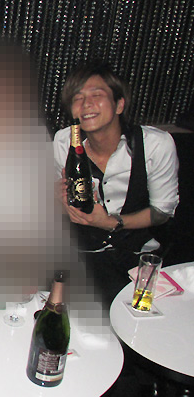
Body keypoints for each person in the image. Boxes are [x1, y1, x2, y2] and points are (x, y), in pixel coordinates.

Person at [53, 61, 179, 304]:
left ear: (119, 104)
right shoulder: (63, 142)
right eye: (77, 98)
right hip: (80, 254)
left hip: (134, 256)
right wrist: (57, 199)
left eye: (96, 95)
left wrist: (111, 222)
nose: (86, 104)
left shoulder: (156, 145)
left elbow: (162, 212)